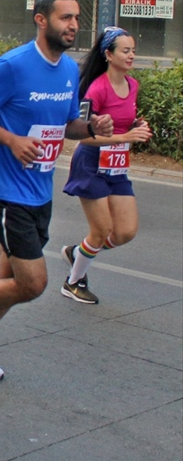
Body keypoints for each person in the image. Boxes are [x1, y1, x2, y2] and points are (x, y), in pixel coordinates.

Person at [0, 0, 112, 381]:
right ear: (41, 19)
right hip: (5, 190)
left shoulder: (68, 70)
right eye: (65, 18)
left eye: (76, 19)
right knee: (32, 284)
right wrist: (11, 140)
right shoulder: (12, 66)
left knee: (8, 280)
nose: (73, 26)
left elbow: (68, 126)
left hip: (39, 190)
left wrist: (91, 127)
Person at [59, 27, 153, 304]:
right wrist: (125, 136)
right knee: (100, 230)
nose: (131, 55)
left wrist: (138, 126)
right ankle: (73, 281)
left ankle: (79, 253)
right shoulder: (96, 89)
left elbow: (125, 120)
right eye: (126, 51)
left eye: (133, 50)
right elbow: (84, 136)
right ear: (109, 55)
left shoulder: (132, 85)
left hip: (117, 167)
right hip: (90, 164)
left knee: (125, 232)